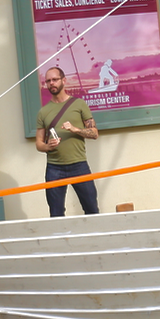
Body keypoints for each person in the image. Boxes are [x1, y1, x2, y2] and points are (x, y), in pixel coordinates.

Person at [35, 68, 100, 216]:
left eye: (55, 79)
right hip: (54, 168)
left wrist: (75, 129)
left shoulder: (79, 104)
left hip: (79, 164)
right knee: (56, 213)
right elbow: (38, 143)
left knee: (92, 210)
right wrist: (47, 146)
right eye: (48, 81)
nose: (52, 83)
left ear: (64, 81)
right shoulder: (43, 112)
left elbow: (94, 133)